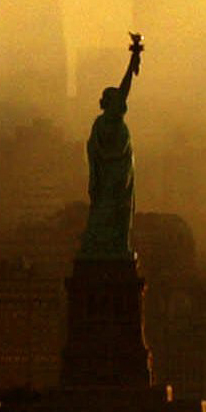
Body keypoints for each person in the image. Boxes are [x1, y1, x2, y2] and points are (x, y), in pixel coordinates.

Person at [77, 33, 142, 260]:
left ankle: (112, 245)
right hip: (113, 177)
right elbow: (125, 88)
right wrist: (132, 60)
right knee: (115, 212)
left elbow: (123, 89)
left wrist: (133, 58)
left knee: (115, 213)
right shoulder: (107, 121)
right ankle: (110, 246)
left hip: (114, 176)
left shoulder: (102, 122)